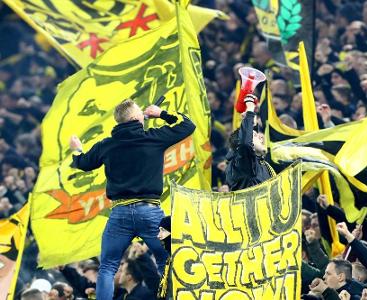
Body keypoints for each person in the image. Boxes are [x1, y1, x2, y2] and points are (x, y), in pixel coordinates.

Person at [69, 99, 196, 300]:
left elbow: (83, 163)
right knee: (166, 258)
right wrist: (161, 113)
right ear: (138, 118)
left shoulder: (107, 145)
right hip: (151, 213)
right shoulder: (153, 137)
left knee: (108, 266)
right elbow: (188, 125)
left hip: (119, 214)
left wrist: (76, 148)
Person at [225, 94, 275, 191]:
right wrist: (250, 110)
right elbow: (244, 144)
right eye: (255, 136)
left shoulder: (262, 164)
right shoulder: (243, 164)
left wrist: (252, 123)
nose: (261, 138)